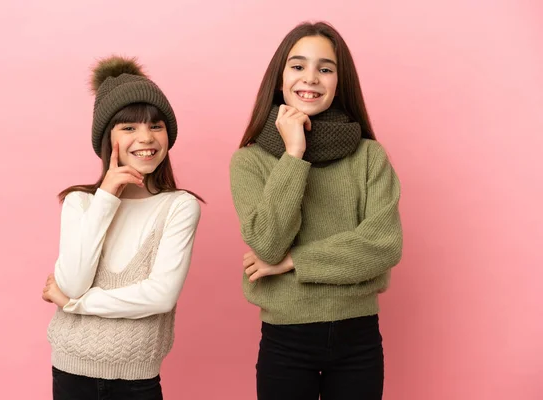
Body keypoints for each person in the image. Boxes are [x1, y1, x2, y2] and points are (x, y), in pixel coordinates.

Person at [229, 21, 403, 400]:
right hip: (285, 340)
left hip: (358, 337)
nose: (311, 78)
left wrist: (295, 262)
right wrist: (294, 153)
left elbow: (383, 246)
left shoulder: (369, 156)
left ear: (340, 83)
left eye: (325, 69)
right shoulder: (250, 161)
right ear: (279, 78)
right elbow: (267, 244)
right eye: (298, 66)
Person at [42, 55, 202, 400]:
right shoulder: (80, 203)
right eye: (129, 128)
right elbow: (72, 282)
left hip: (136, 379)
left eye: (156, 126)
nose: (146, 138)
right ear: (106, 138)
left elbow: (161, 296)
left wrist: (76, 305)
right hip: (69, 371)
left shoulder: (179, 206)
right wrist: (106, 198)